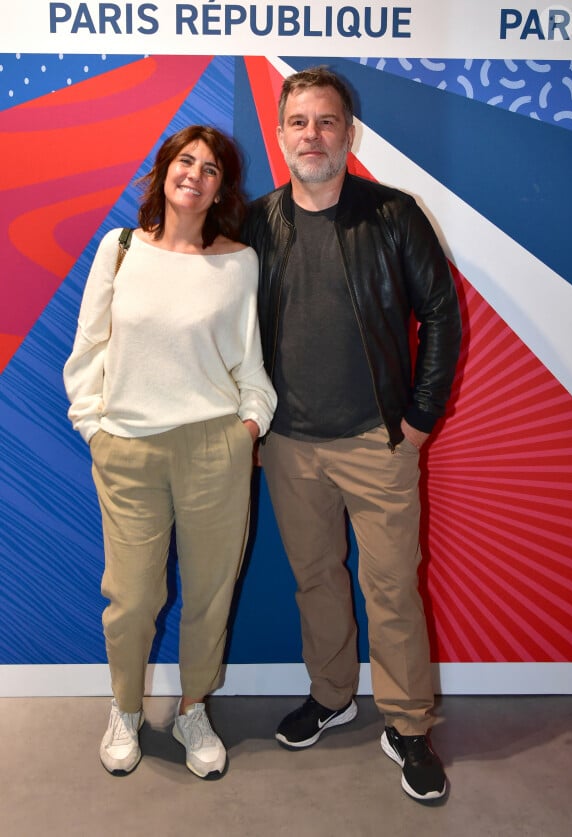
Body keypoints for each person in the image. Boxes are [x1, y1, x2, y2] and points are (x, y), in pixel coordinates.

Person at [242, 68, 462, 802]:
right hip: (290, 444)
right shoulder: (254, 223)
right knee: (316, 578)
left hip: (378, 439)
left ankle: (406, 722)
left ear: (349, 133)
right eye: (299, 122)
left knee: (393, 584)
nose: (313, 135)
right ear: (281, 135)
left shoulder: (394, 215)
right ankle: (333, 693)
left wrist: (421, 418)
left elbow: (442, 314)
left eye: (326, 121)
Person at [63, 125, 277, 779]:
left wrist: (248, 426)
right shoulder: (120, 248)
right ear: (164, 172)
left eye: (211, 168)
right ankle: (124, 708)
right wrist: (94, 426)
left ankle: (191, 708)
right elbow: (88, 351)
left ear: (221, 189)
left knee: (212, 591)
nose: (195, 174)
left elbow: (251, 364)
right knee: (131, 596)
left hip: (216, 445)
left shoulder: (238, 262)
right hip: (128, 447)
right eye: (185, 161)